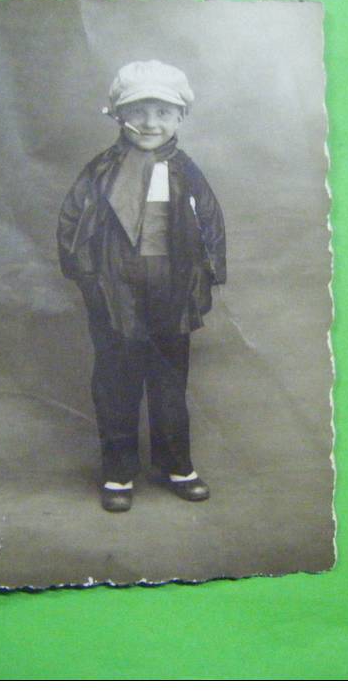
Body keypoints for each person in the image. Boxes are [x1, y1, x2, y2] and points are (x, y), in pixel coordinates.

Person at [57, 60, 227, 512]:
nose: (151, 123)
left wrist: (204, 279)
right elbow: (72, 225)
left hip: (170, 290)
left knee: (170, 383)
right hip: (117, 290)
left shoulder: (185, 172)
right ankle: (118, 472)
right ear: (118, 115)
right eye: (140, 112)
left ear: (180, 117)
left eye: (163, 113)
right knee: (117, 383)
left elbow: (210, 227)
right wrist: (90, 280)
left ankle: (176, 465)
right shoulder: (100, 172)